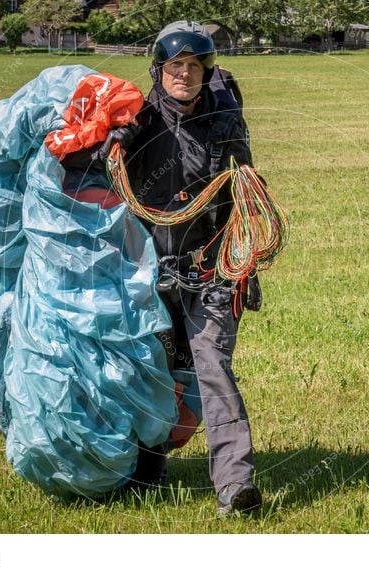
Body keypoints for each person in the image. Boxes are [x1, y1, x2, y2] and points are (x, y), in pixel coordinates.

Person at [102, 20, 263, 516]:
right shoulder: (136, 120)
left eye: (195, 66)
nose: (185, 75)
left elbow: (244, 196)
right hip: (147, 275)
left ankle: (235, 486)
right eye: (176, 66)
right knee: (152, 374)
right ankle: (146, 472)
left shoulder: (223, 122)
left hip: (210, 269)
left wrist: (246, 267)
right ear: (159, 69)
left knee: (213, 369)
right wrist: (113, 136)